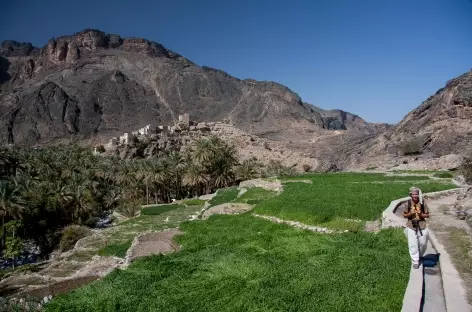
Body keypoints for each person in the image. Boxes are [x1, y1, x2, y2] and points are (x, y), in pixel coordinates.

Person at [402, 186, 430, 269]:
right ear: (411, 195)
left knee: (423, 242)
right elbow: (404, 214)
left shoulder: (422, 202)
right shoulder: (408, 203)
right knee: (413, 244)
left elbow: (427, 214)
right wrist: (411, 213)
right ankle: (415, 261)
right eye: (413, 194)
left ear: (418, 195)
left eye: (416, 194)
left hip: (421, 225)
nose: (414, 195)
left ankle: (420, 255)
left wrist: (421, 214)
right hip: (411, 226)